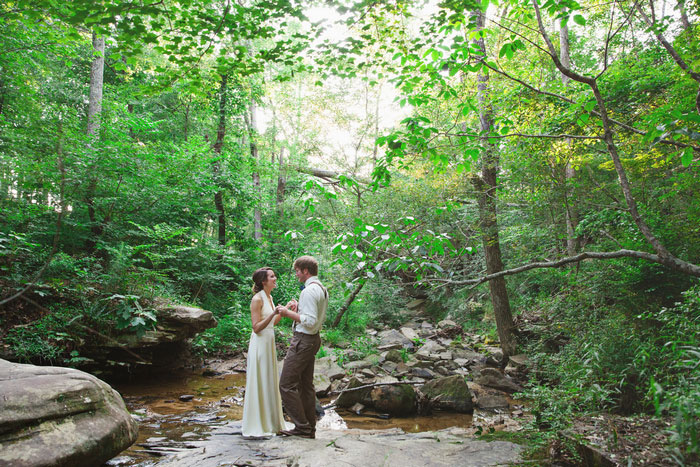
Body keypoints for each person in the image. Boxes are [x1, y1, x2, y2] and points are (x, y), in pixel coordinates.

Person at [276, 255, 328, 439]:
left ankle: (302, 427)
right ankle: (309, 427)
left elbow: (310, 321)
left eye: (298, 270)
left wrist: (287, 312)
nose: (296, 274)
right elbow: (312, 317)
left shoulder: (308, 291)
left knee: (286, 384)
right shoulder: (320, 287)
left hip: (303, 341)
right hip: (312, 340)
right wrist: (299, 309)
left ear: (305, 271)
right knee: (306, 385)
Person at [241, 267, 287, 438]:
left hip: (269, 344)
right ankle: (259, 423)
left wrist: (284, 310)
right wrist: (273, 314)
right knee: (261, 381)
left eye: (274, 275)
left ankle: (272, 422)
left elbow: (273, 323)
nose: (275, 278)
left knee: (269, 381)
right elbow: (257, 327)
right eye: (272, 276)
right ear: (263, 281)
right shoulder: (256, 299)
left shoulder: (270, 297)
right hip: (260, 346)